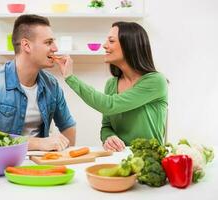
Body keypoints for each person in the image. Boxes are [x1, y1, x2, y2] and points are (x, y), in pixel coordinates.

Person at [0, 14, 76, 151]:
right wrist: (37, 143)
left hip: (40, 166)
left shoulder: (51, 85)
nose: (55, 48)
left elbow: (68, 126)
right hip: (3, 165)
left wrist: (64, 155)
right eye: (48, 42)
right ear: (26, 45)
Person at [56, 22, 168, 152]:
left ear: (129, 46)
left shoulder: (155, 81)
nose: (104, 45)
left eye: (111, 41)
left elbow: (109, 105)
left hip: (149, 159)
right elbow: (106, 126)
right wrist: (109, 137)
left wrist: (70, 78)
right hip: (118, 159)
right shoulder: (111, 84)